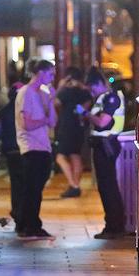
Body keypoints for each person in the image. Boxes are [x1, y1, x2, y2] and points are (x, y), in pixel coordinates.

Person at [82, 68, 127, 239]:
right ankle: (112, 224)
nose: (92, 92)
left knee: (108, 186)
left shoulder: (111, 98)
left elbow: (102, 121)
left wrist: (86, 114)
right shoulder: (102, 98)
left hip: (107, 144)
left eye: (93, 88)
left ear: (100, 84)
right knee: (105, 186)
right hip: (101, 145)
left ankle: (115, 226)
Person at [14, 59, 57, 239]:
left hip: (43, 146)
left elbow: (54, 122)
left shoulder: (44, 94)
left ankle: (26, 223)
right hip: (30, 146)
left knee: (36, 188)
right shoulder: (25, 93)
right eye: (51, 73)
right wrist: (44, 121)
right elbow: (26, 124)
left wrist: (52, 101)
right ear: (40, 72)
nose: (53, 77)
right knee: (32, 189)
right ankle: (30, 225)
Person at [0, 82, 24, 233]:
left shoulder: (3, 112)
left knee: (16, 183)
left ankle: (17, 211)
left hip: (11, 151)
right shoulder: (25, 110)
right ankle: (23, 214)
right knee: (26, 184)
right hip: (25, 150)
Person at [54, 66, 92, 198]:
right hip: (79, 128)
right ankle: (74, 186)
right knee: (75, 156)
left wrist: (59, 87)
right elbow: (85, 108)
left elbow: (55, 103)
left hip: (66, 127)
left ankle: (74, 185)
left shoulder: (65, 91)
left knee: (60, 157)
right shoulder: (85, 92)